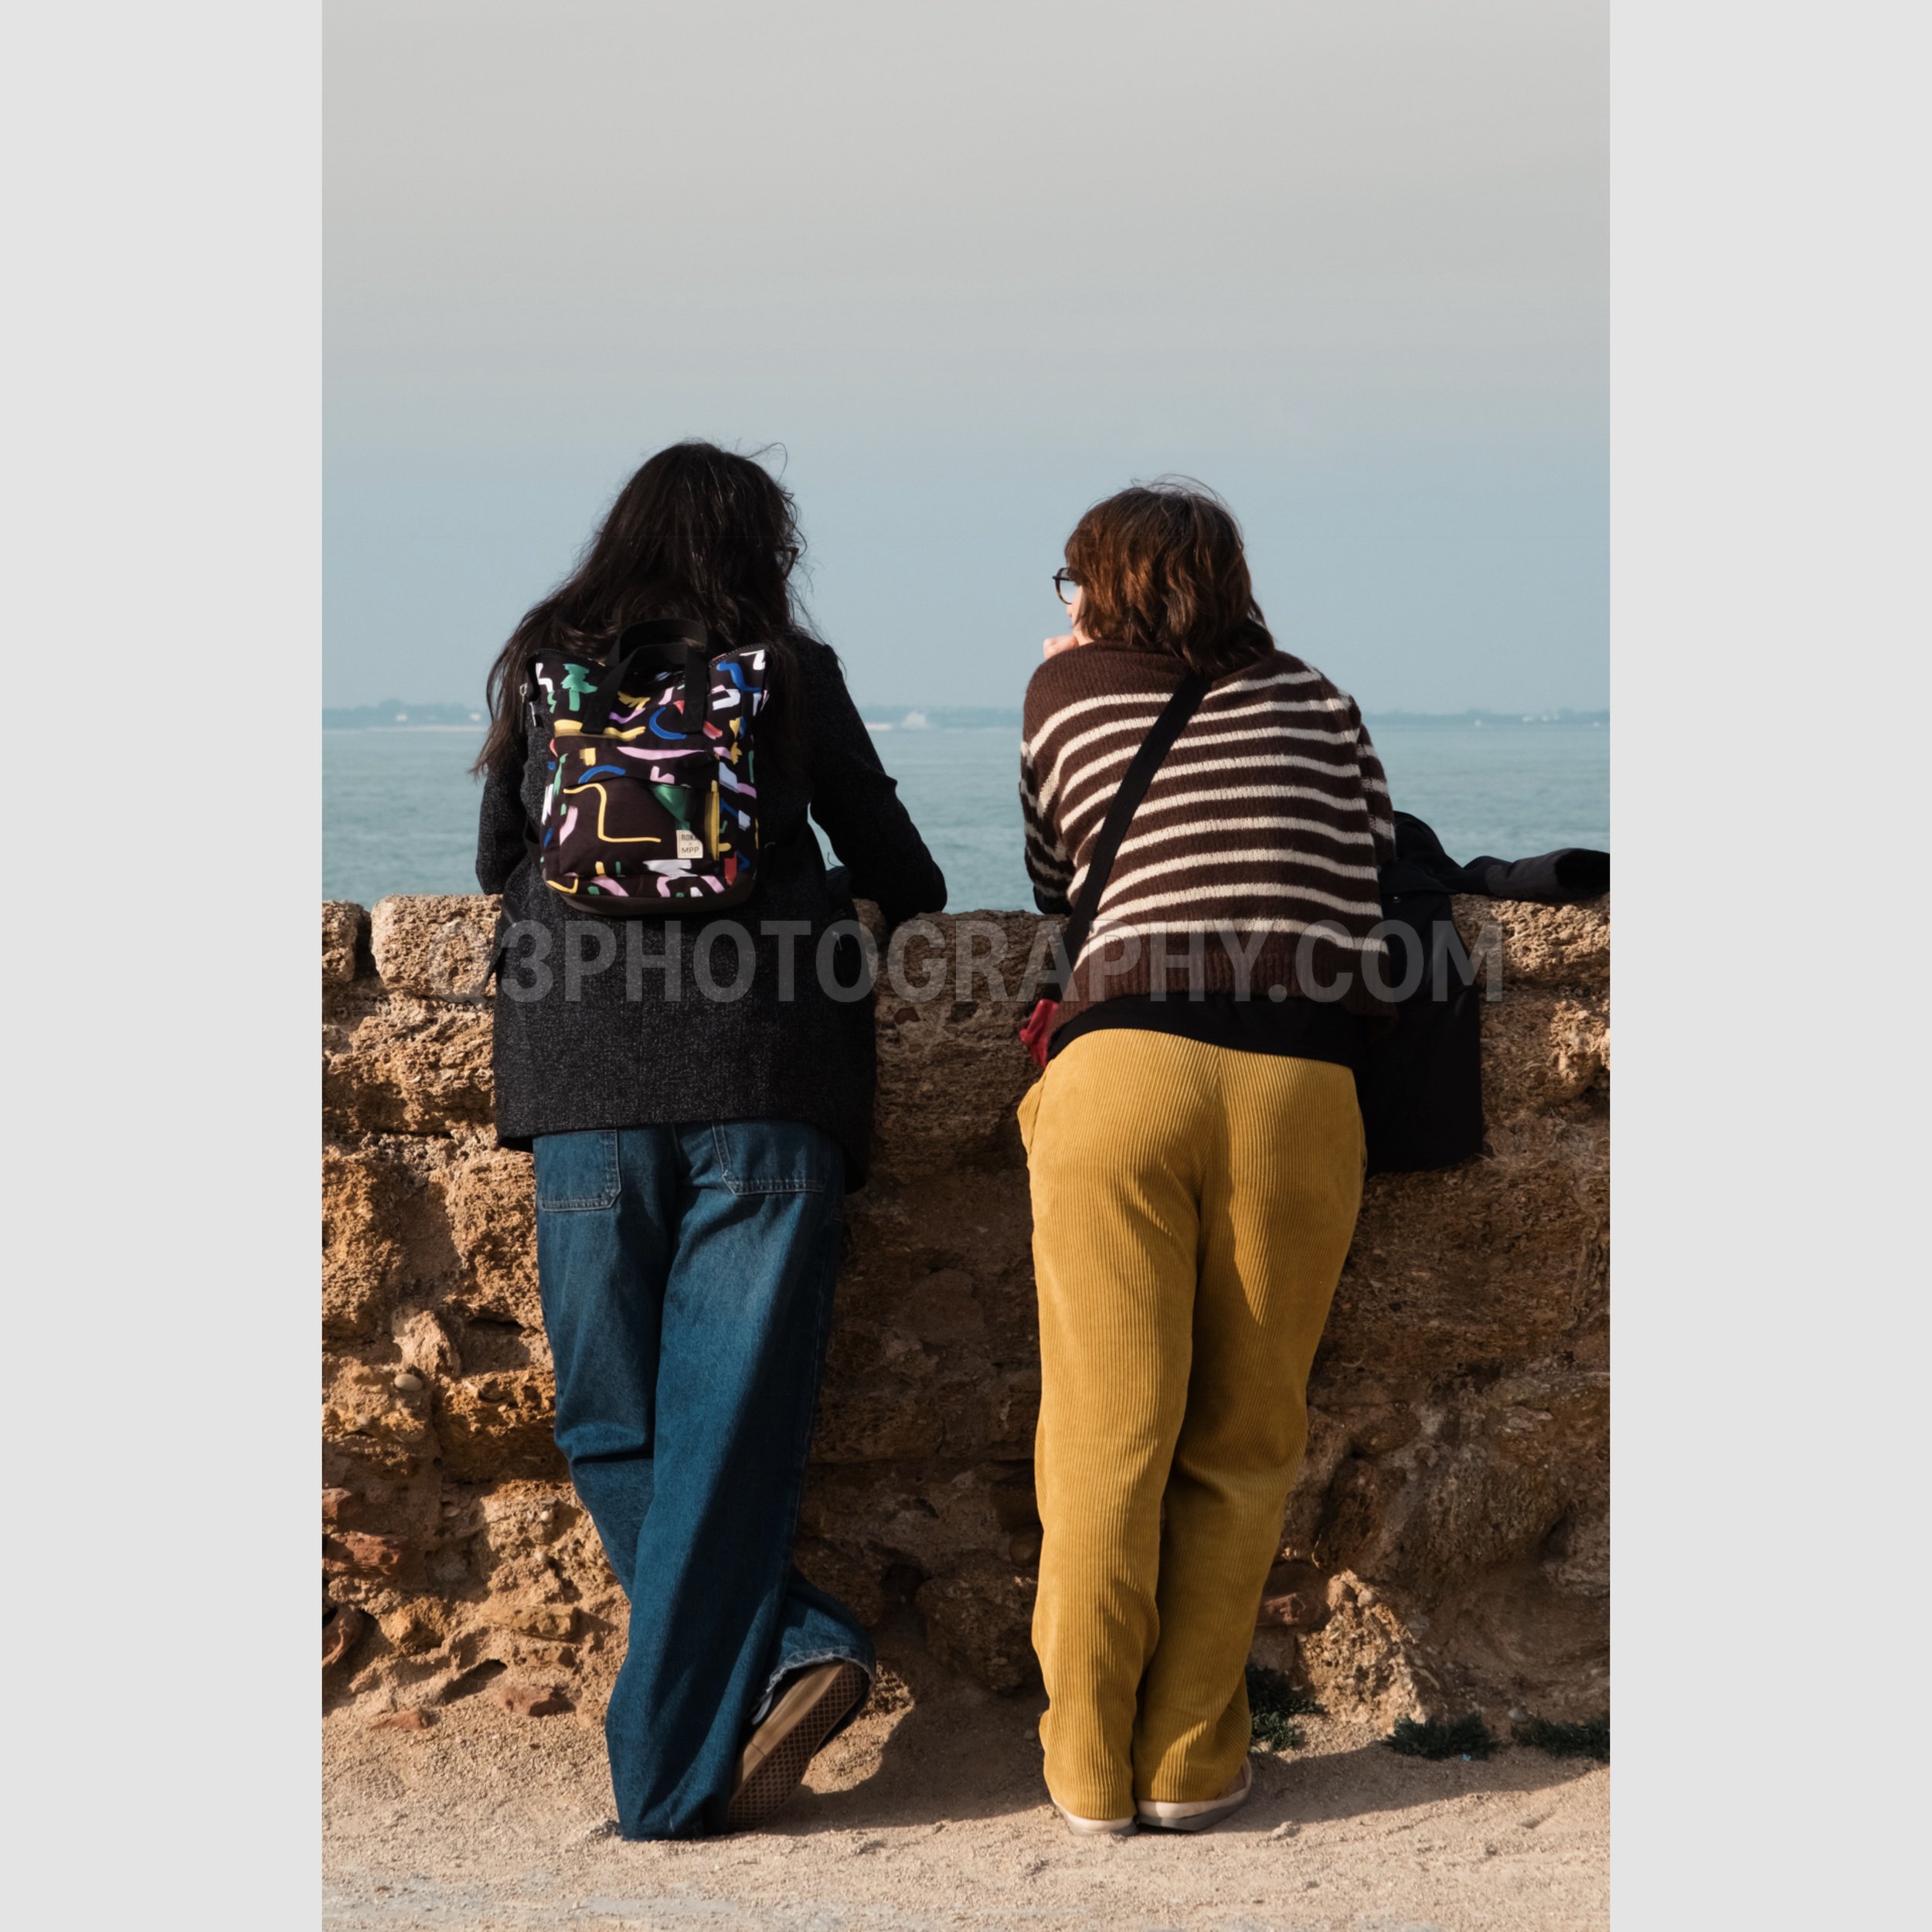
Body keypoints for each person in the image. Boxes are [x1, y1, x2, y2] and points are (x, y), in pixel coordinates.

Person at [473, 441, 946, 1839]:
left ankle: (723, 1726)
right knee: (731, 1426)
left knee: (609, 1419)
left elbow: (505, 867)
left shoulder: (543, 666)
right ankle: (730, 1715)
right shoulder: (789, 673)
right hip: (768, 1074)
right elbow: (908, 879)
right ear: (765, 547)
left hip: (582, 1086)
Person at [1015, 481, 1396, 1835]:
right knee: (1243, 1442)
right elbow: (1368, 862)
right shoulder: (1320, 699)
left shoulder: (1063, 696)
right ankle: (1192, 1763)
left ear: (1099, 585)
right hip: (1299, 1079)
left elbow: (1062, 880)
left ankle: (1082, 1767)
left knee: (1104, 1441)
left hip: (1124, 1069)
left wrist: (1065, 677)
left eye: (1067, 578)